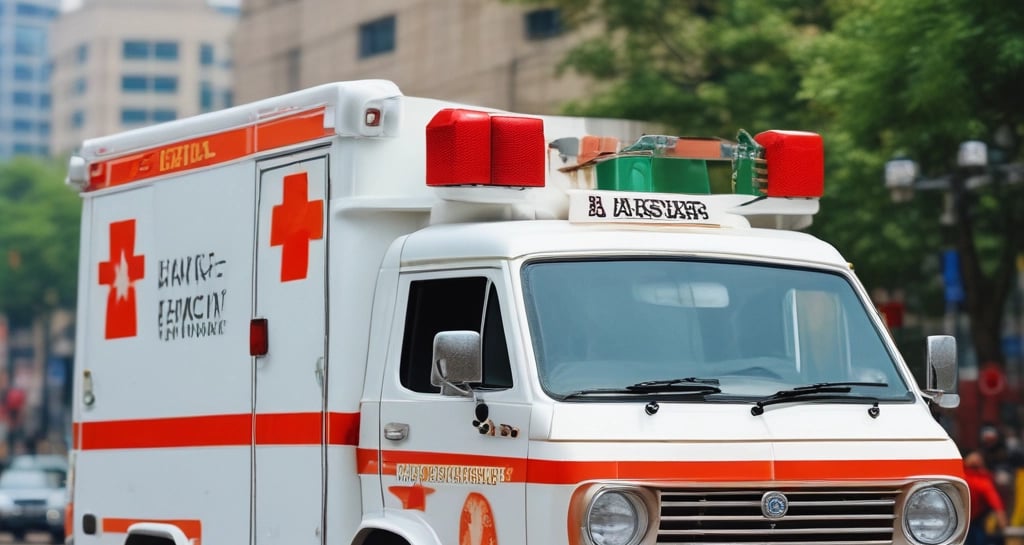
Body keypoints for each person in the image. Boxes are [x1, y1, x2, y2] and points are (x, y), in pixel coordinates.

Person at [965, 450, 1009, 545]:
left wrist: (1000, 514)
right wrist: (1000, 515)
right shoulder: (982, 479)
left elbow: (994, 499)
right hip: (971, 519)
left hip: (973, 520)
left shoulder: (982, 479)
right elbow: (994, 500)